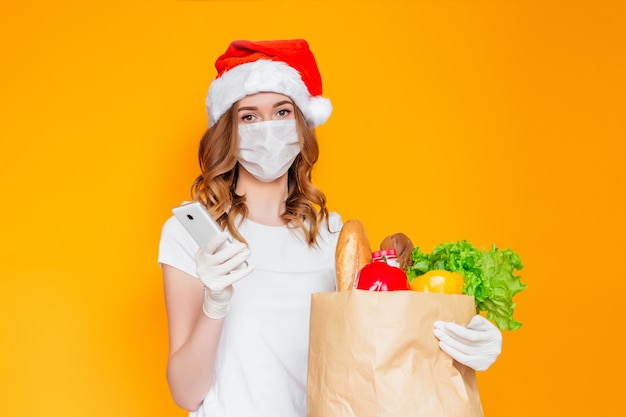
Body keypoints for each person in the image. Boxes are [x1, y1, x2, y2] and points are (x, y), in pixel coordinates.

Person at [158, 39, 503, 417]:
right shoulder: (190, 235)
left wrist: (461, 343)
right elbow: (186, 393)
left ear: (302, 125)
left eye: (282, 111)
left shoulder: (335, 238)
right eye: (249, 116)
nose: (268, 128)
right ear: (229, 131)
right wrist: (215, 303)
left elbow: (379, 349)